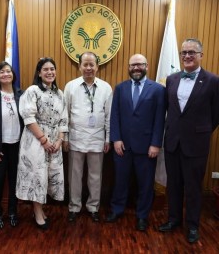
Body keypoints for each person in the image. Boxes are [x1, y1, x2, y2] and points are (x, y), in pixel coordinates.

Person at [158, 38, 219, 243]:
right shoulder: (172, 79)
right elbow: (170, 111)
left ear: (201, 55)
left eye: (191, 52)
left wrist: (199, 132)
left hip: (196, 145)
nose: (187, 56)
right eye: (183, 52)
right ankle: (174, 219)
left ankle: (193, 225)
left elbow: (217, 114)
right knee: (174, 185)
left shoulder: (214, 81)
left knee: (194, 187)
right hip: (173, 143)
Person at [106, 54, 166, 232]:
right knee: (120, 181)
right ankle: (117, 210)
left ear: (146, 66)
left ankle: (142, 216)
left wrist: (156, 143)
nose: (136, 68)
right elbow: (114, 116)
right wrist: (116, 139)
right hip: (122, 146)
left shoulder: (157, 89)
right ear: (128, 67)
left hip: (147, 147)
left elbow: (159, 119)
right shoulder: (120, 88)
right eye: (132, 65)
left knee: (145, 184)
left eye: (139, 65)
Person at [16, 57, 68, 230]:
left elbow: (64, 120)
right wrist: (44, 140)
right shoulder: (32, 91)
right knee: (37, 176)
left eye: (52, 68)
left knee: (48, 176)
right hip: (35, 140)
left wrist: (60, 140)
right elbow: (28, 118)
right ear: (39, 73)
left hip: (55, 141)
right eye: (45, 69)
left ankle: (40, 209)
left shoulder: (60, 93)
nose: (49, 72)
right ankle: (37, 212)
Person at [63, 52, 112, 223]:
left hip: (98, 138)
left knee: (95, 175)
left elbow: (108, 115)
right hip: (76, 138)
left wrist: (108, 138)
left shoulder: (106, 87)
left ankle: (93, 207)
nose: (89, 68)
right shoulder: (71, 86)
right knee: (74, 175)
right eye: (85, 64)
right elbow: (65, 114)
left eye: (92, 64)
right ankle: (74, 207)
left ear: (97, 67)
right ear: (80, 66)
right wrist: (65, 137)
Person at [0, 61, 24, 229]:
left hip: (18, 145)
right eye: (2, 72)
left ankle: (13, 212)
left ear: (13, 75)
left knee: (15, 180)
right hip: (0, 148)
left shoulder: (21, 95)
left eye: (8, 71)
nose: (6, 74)